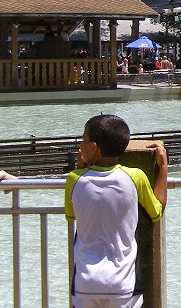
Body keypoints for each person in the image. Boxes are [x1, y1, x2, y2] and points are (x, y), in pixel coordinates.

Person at [65, 114, 168, 308]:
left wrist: (80, 168)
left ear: (93, 147)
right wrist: (162, 168)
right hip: (124, 284)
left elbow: (72, 214)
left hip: (85, 283)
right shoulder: (135, 176)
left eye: (83, 139)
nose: (80, 145)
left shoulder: (73, 179)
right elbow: (156, 211)